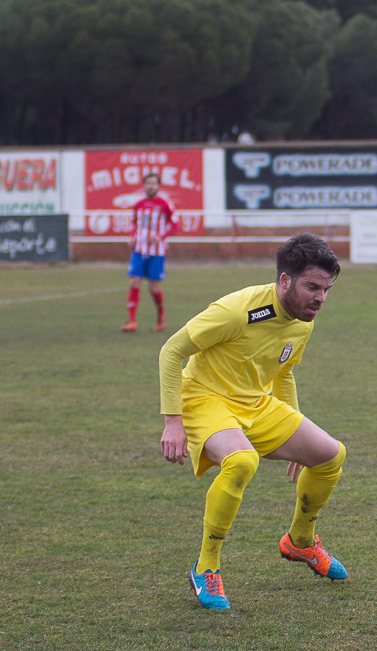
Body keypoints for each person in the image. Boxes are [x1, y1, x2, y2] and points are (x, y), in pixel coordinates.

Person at [158, 233, 349, 611]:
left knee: (330, 455)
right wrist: (172, 421)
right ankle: (206, 566)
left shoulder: (303, 318)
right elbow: (171, 351)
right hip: (203, 398)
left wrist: (294, 422)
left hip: (253, 402)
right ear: (284, 281)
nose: (320, 299)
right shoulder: (236, 311)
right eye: (312, 287)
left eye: (326, 290)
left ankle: (300, 540)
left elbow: (284, 371)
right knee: (242, 460)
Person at [122, 172, 178, 333]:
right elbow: (135, 225)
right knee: (134, 282)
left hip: (157, 252)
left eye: (153, 183)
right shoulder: (138, 204)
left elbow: (175, 226)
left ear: (158, 186)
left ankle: (161, 314)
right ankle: (131, 321)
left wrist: (160, 237)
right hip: (139, 250)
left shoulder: (164, 204)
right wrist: (132, 238)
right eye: (147, 183)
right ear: (143, 185)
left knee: (153, 288)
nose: (150, 186)